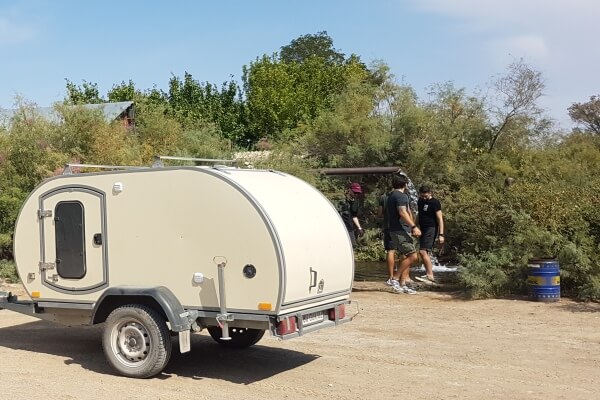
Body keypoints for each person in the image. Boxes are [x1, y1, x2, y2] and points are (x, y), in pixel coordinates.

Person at [385, 175, 421, 294]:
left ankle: (403, 283)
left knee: (406, 256)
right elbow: (403, 212)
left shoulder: (391, 196)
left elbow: (407, 211)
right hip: (399, 230)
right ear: (405, 184)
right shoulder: (400, 196)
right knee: (412, 256)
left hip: (401, 229)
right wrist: (414, 226)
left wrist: (411, 228)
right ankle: (395, 279)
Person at [414, 185, 444, 284]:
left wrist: (441, 234)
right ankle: (429, 274)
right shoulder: (420, 201)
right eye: (422, 196)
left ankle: (430, 275)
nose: (424, 198)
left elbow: (440, 219)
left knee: (422, 251)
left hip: (431, 228)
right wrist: (414, 226)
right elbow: (419, 214)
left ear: (430, 193)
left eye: (425, 196)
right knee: (424, 252)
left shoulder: (435, 203)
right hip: (422, 228)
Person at [378, 187, 395, 282]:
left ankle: (391, 276)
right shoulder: (402, 196)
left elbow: (380, 213)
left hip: (387, 227)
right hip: (399, 227)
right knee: (405, 252)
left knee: (390, 251)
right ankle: (403, 276)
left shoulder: (383, 198)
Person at [339, 182, 364, 247]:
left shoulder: (354, 202)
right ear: (349, 190)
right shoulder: (341, 199)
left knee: (352, 245)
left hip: (349, 228)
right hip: (340, 228)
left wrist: (359, 228)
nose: (356, 194)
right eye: (355, 192)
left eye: (358, 193)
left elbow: (354, 216)